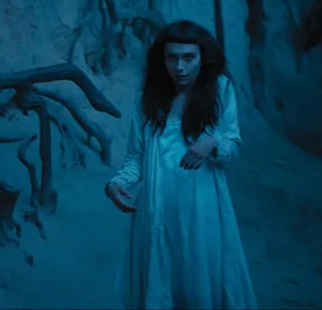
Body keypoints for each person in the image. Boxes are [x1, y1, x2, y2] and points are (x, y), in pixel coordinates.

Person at [104, 20, 258, 309]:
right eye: (172, 58)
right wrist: (116, 183)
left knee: (199, 283)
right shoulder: (146, 99)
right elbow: (137, 157)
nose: (180, 67)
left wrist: (212, 143)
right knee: (161, 282)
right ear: (162, 60)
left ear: (202, 58)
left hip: (202, 209)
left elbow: (232, 144)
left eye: (189, 58)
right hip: (156, 211)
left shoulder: (220, 90)